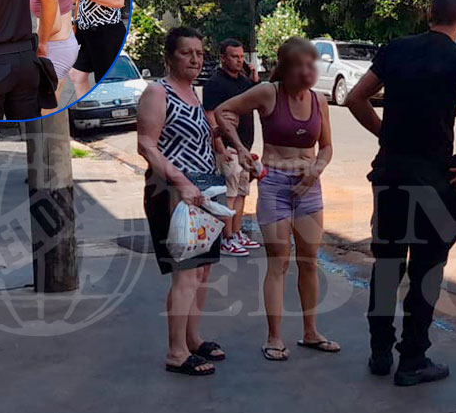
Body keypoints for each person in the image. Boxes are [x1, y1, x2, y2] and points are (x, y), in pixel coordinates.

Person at [347, 0, 456, 386]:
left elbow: (355, 98)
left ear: (429, 14)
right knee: (427, 269)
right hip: (432, 178)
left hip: (389, 173)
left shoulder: (395, 49)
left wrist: (386, 134)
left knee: (387, 265)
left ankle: (379, 352)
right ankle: (412, 359)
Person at [215, 37, 339, 362]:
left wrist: (316, 170)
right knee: (279, 262)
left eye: (312, 65)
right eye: (302, 66)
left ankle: (311, 332)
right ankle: (274, 337)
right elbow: (224, 111)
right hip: (274, 185)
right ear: (286, 68)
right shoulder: (269, 93)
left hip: (309, 187)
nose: (309, 72)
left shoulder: (319, 100)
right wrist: (240, 149)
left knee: (309, 261)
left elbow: (326, 146)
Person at [136, 27, 229, 377]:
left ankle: (192, 338)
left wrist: (228, 151)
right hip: (173, 192)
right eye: (186, 52)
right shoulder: (157, 92)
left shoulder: (192, 93)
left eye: (199, 53)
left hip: (204, 191)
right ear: (169, 56)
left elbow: (198, 139)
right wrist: (181, 182)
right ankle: (176, 352)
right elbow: (146, 145)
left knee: (201, 271)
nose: (195, 59)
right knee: (186, 273)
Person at [202, 38, 261, 257]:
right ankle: (226, 238)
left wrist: (254, 76)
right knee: (229, 194)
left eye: (241, 57)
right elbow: (210, 116)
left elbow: (256, 97)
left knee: (242, 193)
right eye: (234, 57)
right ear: (223, 58)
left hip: (244, 148)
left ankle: (236, 233)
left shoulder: (243, 81)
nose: (239, 60)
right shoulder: (215, 83)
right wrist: (220, 147)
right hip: (228, 149)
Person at [16, 0, 80, 113]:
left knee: (45, 108)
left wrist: (38, 42)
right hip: (63, 45)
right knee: (51, 100)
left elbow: (54, 25)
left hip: (54, 48)